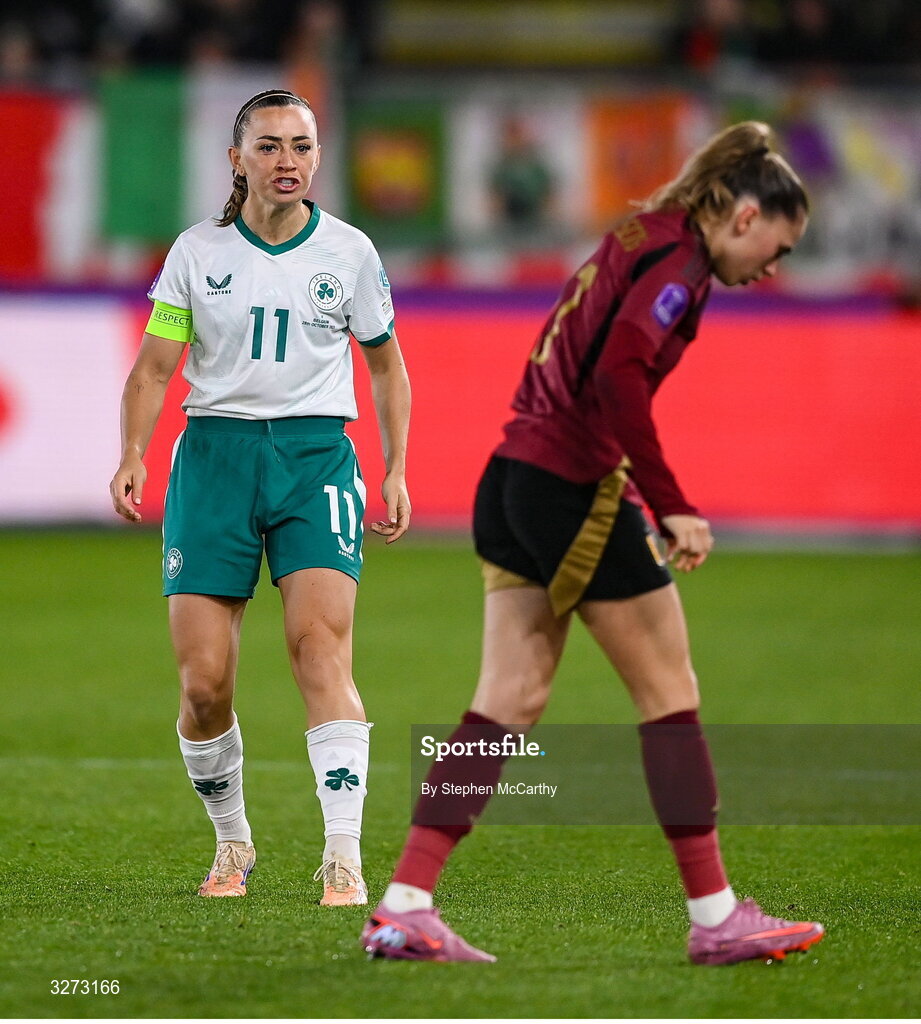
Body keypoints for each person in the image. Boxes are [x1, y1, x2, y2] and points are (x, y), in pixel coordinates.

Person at [361, 121, 824, 964]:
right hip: (570, 485)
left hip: (510, 480)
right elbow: (616, 377)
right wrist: (673, 503)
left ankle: (404, 904)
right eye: (778, 249)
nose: (769, 271)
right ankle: (716, 916)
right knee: (667, 689)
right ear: (746, 215)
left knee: (506, 699)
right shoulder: (679, 266)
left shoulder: (643, 233)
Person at [109, 88, 411, 906]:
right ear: (235, 159)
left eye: (303, 147)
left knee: (320, 648)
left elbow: (385, 363)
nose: (289, 162)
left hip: (315, 458)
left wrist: (393, 466)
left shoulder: (348, 252)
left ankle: (341, 854)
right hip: (214, 459)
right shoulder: (195, 252)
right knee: (204, 684)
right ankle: (232, 844)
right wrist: (134, 452)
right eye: (271, 146)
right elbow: (153, 369)